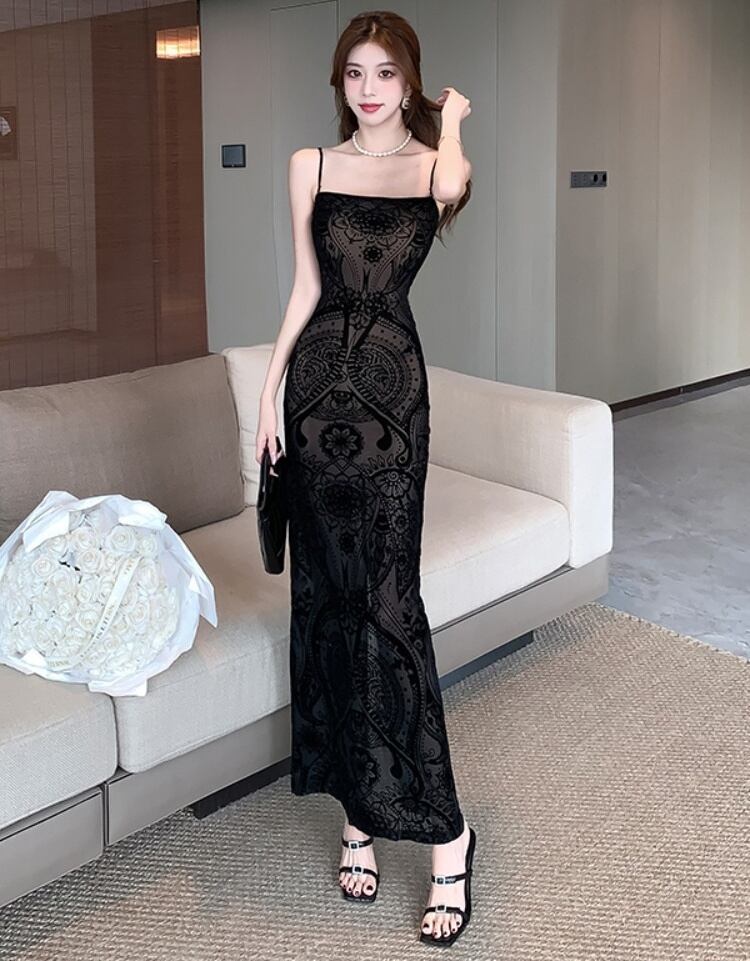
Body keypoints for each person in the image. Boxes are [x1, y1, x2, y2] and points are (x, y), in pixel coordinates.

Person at [255, 10, 475, 946]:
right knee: (330, 600)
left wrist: (450, 118)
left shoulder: (432, 166)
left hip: (393, 407)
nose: (370, 88)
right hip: (315, 401)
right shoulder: (309, 164)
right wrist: (268, 397)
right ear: (339, 82)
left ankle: (450, 838)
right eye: (355, 72)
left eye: (387, 72)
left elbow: (454, 184)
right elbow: (305, 290)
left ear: (409, 80)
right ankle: (358, 815)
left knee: (390, 605)